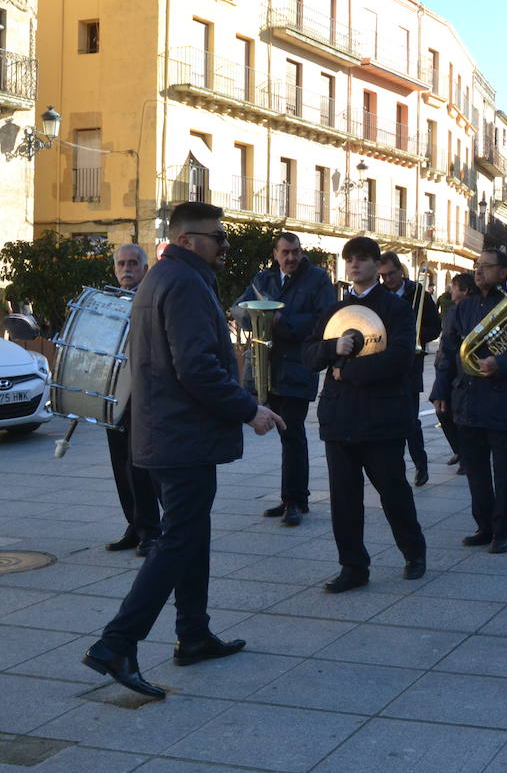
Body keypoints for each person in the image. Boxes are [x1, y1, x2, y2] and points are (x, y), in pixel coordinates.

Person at [82, 202, 285, 698]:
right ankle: (116, 643)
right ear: (190, 239)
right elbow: (196, 367)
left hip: (168, 432)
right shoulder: (186, 283)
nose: (225, 244)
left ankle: (192, 633)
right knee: (179, 538)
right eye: (219, 237)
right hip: (183, 436)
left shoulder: (164, 278)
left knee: (191, 532)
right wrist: (248, 409)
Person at [304, 237, 425, 592]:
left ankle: (414, 552)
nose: (354, 265)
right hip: (339, 417)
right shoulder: (333, 310)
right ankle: (353, 566)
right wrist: (331, 347)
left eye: (361, 259)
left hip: (381, 416)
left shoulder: (396, 308)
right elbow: (308, 355)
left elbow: (402, 356)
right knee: (344, 498)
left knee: (393, 490)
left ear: (376, 264)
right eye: (349, 260)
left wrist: (348, 371)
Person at [431, 249, 507, 553]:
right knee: (475, 469)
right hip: (468, 398)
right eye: (477, 266)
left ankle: (504, 530)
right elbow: (449, 352)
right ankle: (484, 524)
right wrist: (441, 390)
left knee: (505, 471)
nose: (478, 271)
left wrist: (502, 364)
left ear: (504, 272)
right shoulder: (462, 308)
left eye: (486, 267)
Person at [233, 232, 333, 526]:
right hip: (267, 367)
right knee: (285, 435)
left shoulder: (317, 279)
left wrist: (283, 322)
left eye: (296, 251)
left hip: (299, 367)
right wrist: (254, 318)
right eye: (285, 252)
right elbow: (240, 307)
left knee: (292, 433)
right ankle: (291, 496)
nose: (291, 257)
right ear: (275, 253)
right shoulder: (263, 280)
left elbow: (324, 319)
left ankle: (295, 501)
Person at [103, 244, 161, 557]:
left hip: (142, 393)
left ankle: (151, 530)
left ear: (144, 267)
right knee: (120, 464)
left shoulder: (150, 300)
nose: (127, 269)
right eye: (122, 264)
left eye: (133, 263)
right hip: (112, 391)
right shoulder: (109, 301)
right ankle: (135, 525)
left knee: (139, 465)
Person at [378, 251, 441, 487]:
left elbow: (435, 327)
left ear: (400, 271)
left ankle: (420, 465)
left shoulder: (418, 293)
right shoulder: (380, 294)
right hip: (385, 361)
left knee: (410, 419)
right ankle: (395, 469)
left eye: (391, 274)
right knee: (387, 418)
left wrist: (412, 337)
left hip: (411, 363)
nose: (387, 280)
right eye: (382, 276)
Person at [434, 272, 474, 471]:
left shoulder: (463, 310)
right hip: (445, 366)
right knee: (442, 410)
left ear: (464, 290)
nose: (451, 290)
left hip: (456, 368)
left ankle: (466, 454)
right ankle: (459, 450)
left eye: (454, 287)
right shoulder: (451, 309)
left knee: (454, 412)